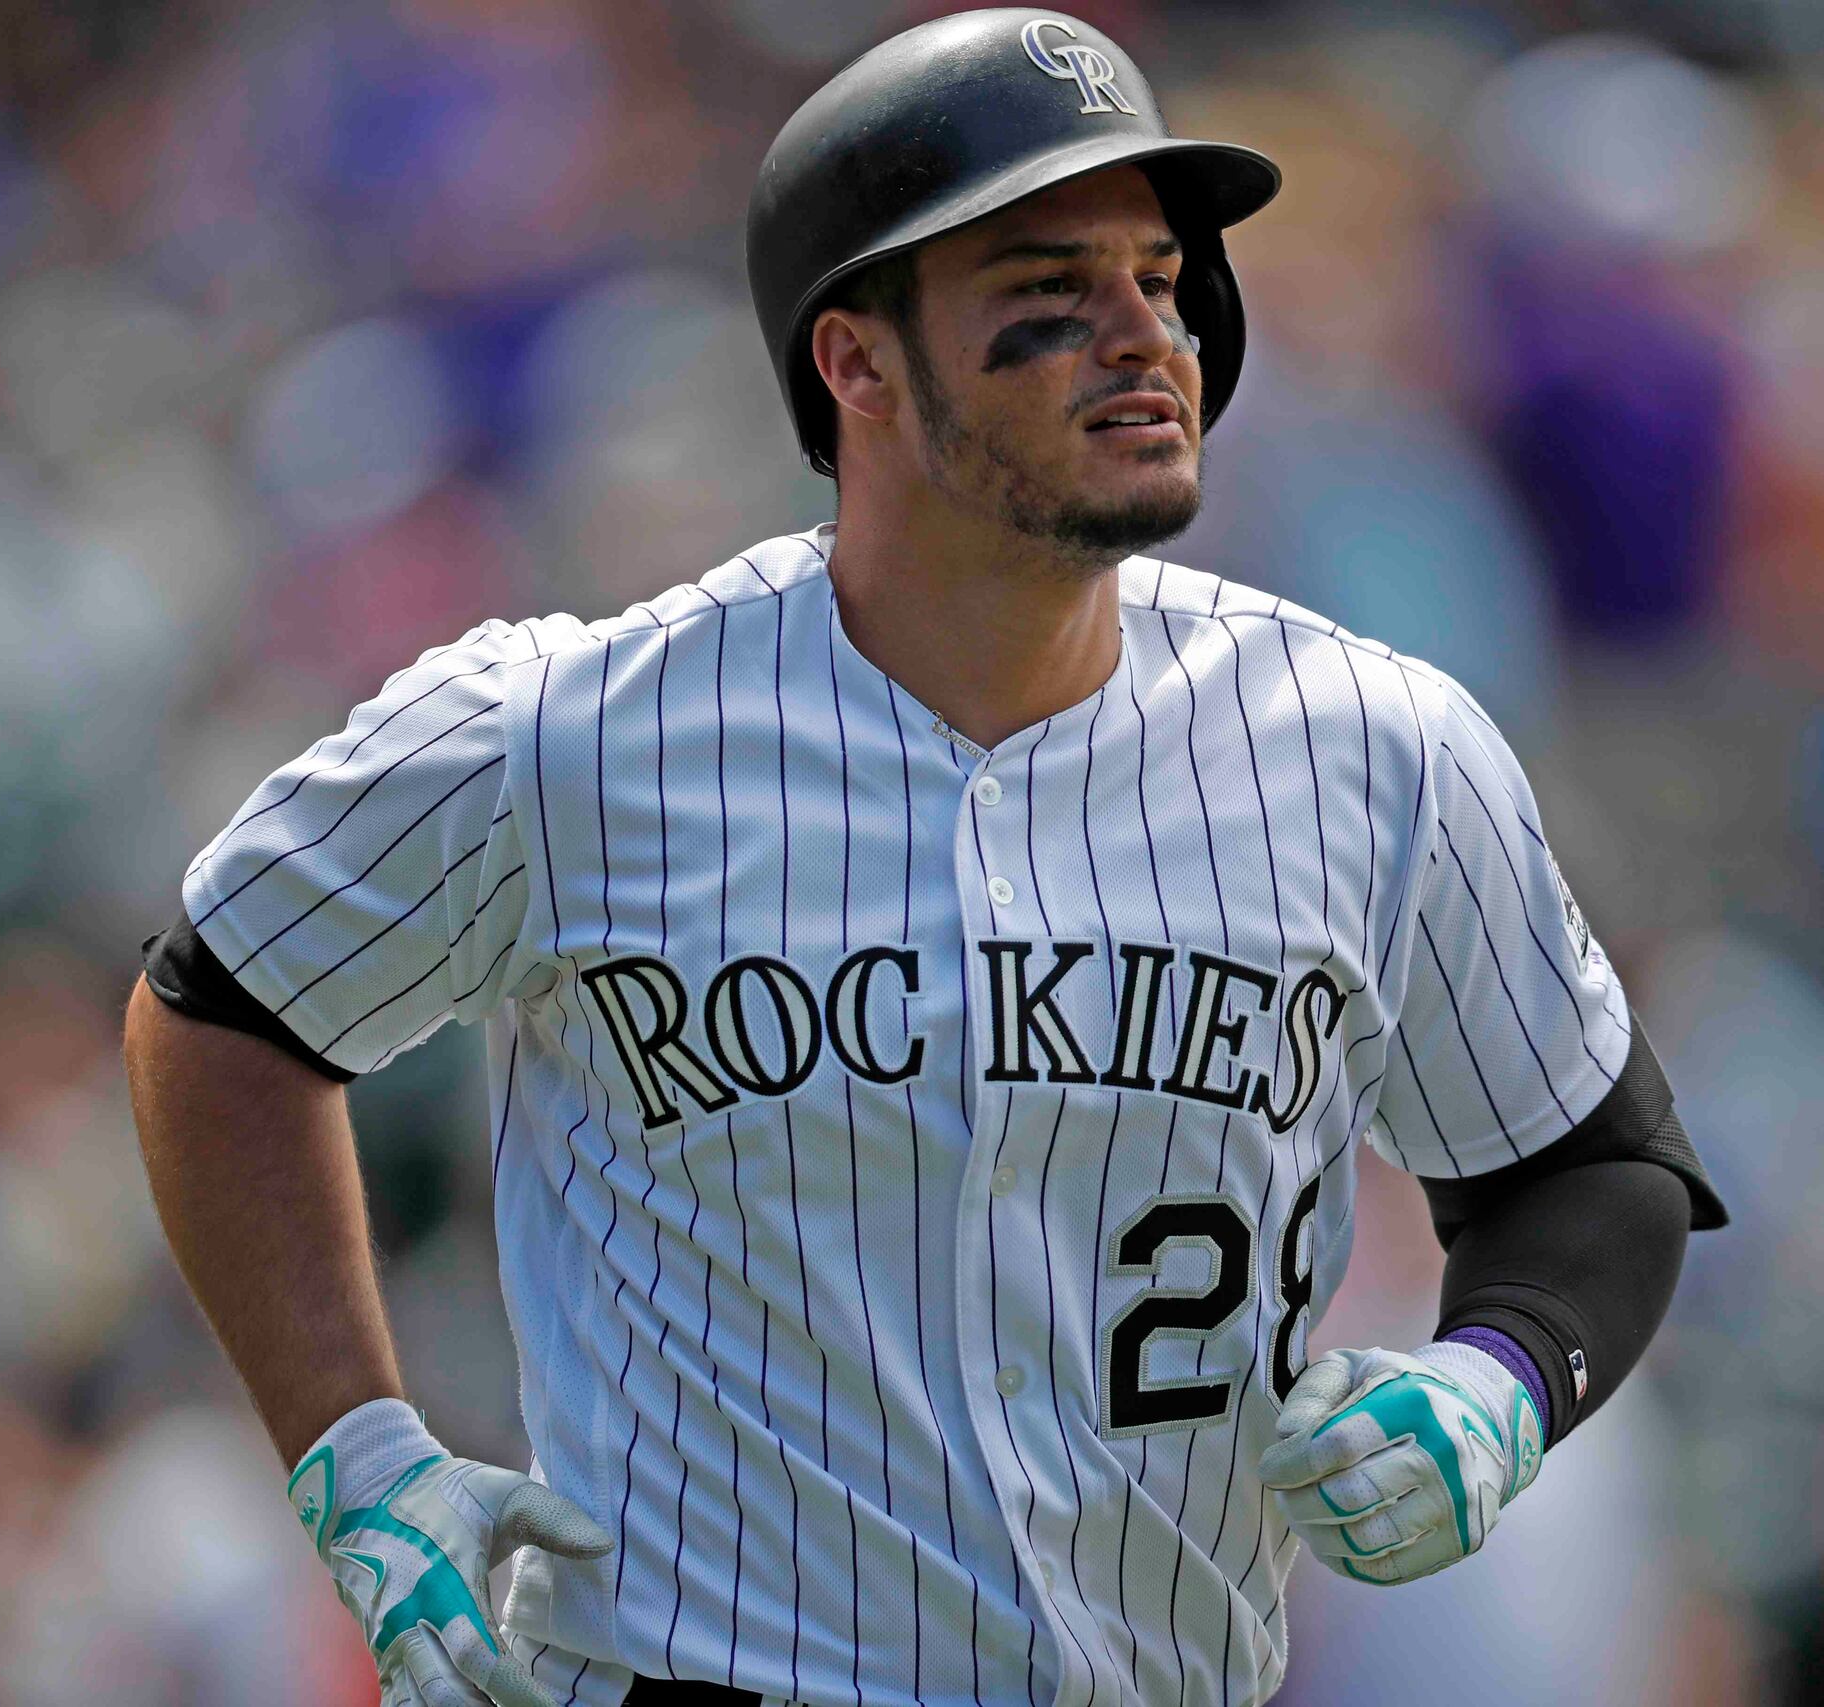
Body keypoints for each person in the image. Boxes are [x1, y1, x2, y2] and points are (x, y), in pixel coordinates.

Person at [121, 11, 1725, 1705]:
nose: (1142, 336)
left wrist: (1500, 1380)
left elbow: (1589, 1161)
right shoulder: (569, 733)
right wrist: (357, 1456)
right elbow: (220, 1015)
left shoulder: (1375, 747)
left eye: (1161, 278)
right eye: (1050, 288)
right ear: (858, 362)